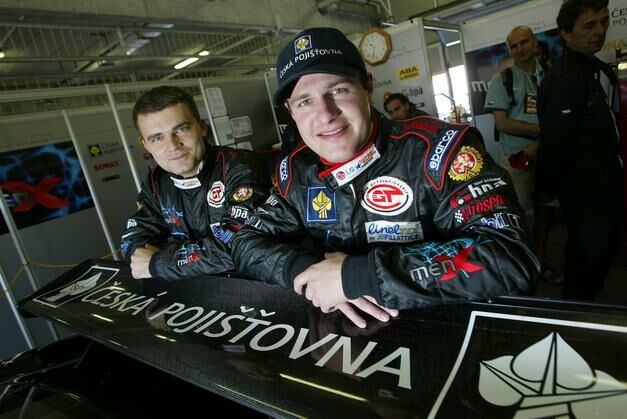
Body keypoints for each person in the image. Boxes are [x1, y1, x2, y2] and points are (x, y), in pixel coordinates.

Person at [231, 27, 540, 328]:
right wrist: (308, 272)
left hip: (448, 334)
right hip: (352, 345)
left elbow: (510, 256)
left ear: (368, 87)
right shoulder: (296, 172)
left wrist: (357, 277)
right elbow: (245, 242)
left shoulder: (440, 152)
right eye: (305, 101)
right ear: (290, 111)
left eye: (337, 90)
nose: (325, 114)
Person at [120, 86, 269, 279]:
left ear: (202, 127)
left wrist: (160, 262)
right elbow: (133, 240)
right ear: (146, 145)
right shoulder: (156, 180)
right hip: (195, 290)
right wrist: (159, 260)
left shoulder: (239, 167)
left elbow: (243, 244)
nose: (173, 146)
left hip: (255, 287)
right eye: (157, 138)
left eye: (181, 129)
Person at [536, 0, 624, 300]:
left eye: (603, 22)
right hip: (586, 194)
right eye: (589, 25)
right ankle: (572, 327)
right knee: (586, 267)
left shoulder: (593, 68)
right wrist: (547, 191)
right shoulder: (565, 78)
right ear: (565, 33)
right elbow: (555, 142)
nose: (599, 31)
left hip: (606, 187)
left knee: (599, 256)